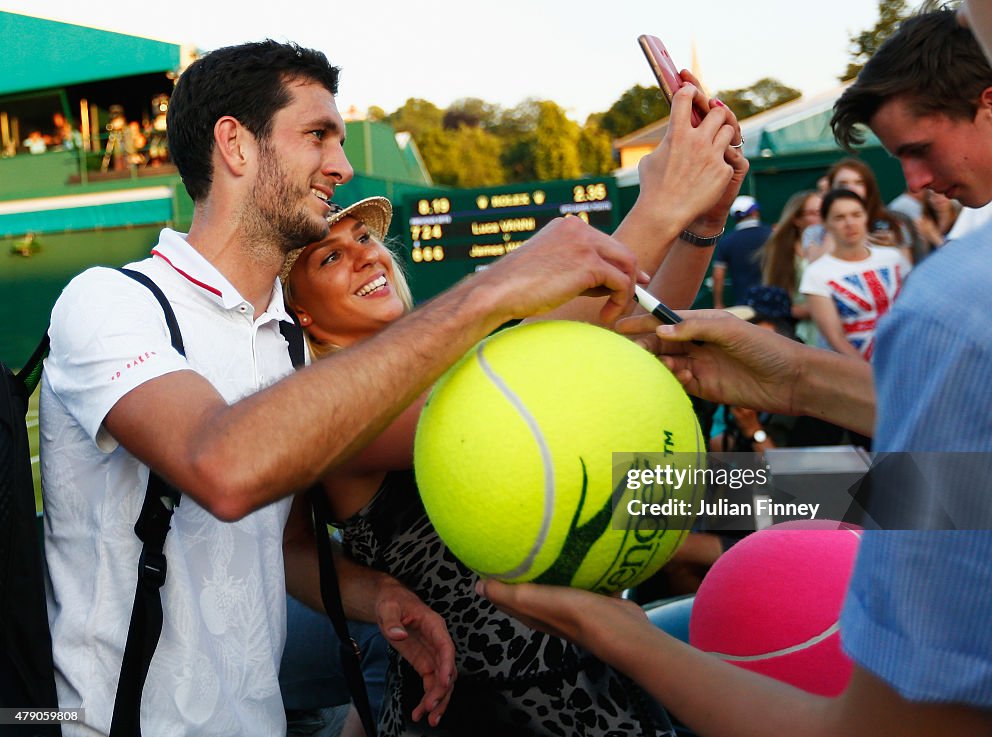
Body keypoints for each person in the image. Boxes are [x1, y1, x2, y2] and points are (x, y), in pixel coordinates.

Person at [40, 39, 671, 737]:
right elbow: (219, 466)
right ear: (235, 145)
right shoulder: (111, 301)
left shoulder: (285, 343)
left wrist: (382, 597)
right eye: (317, 136)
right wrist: (497, 287)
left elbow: (283, 548)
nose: (340, 166)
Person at [481, 8, 992, 736]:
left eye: (920, 150)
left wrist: (626, 635)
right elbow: (978, 475)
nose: (916, 181)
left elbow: (965, 486)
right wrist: (797, 379)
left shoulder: (963, 300)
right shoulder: (971, 288)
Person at [279, 80, 747, 736]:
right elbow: (519, 358)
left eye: (364, 236)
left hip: (594, 672)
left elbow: (622, 331)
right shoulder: (340, 414)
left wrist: (698, 221)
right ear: (299, 311)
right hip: (480, 709)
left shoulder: (457, 366)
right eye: (331, 255)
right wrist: (660, 202)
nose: (364, 254)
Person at [799, 188, 910, 360]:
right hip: (858, 373)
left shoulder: (893, 258)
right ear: (826, 224)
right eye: (839, 217)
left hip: (907, 356)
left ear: (866, 216)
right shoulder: (817, 274)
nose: (850, 223)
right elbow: (835, 338)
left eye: (856, 214)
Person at [758, 189, 822, 343]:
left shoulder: (836, 245)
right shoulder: (785, 252)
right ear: (797, 219)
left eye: (824, 211)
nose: (821, 217)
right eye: (814, 213)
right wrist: (816, 309)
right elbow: (780, 302)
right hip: (804, 332)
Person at [711, 195, 772, 309]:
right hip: (774, 302)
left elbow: (718, 275)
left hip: (743, 305)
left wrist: (718, 303)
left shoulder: (726, 241)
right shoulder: (772, 235)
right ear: (755, 212)